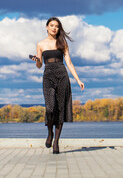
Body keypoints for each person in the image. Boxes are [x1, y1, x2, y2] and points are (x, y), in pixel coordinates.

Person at [31, 17, 84, 154]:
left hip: (62, 76)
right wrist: (37, 60)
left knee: (60, 110)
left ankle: (56, 142)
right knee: (50, 108)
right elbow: (39, 65)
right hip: (48, 77)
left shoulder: (62, 42)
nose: (54, 28)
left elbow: (69, 63)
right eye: (52, 25)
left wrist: (78, 80)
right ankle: (50, 133)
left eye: (57, 26)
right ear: (47, 27)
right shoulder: (40, 44)